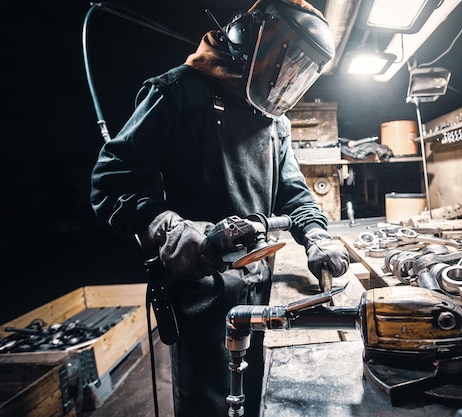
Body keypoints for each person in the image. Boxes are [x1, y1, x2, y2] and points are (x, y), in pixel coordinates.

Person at [89, 1, 350, 416]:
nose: (288, 78)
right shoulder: (176, 91)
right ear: (250, 37)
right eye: (289, 60)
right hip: (202, 293)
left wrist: (317, 234)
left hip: (260, 288)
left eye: (301, 69)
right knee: (208, 404)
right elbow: (113, 179)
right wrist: (167, 227)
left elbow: (294, 194)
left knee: (258, 398)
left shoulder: (272, 118)